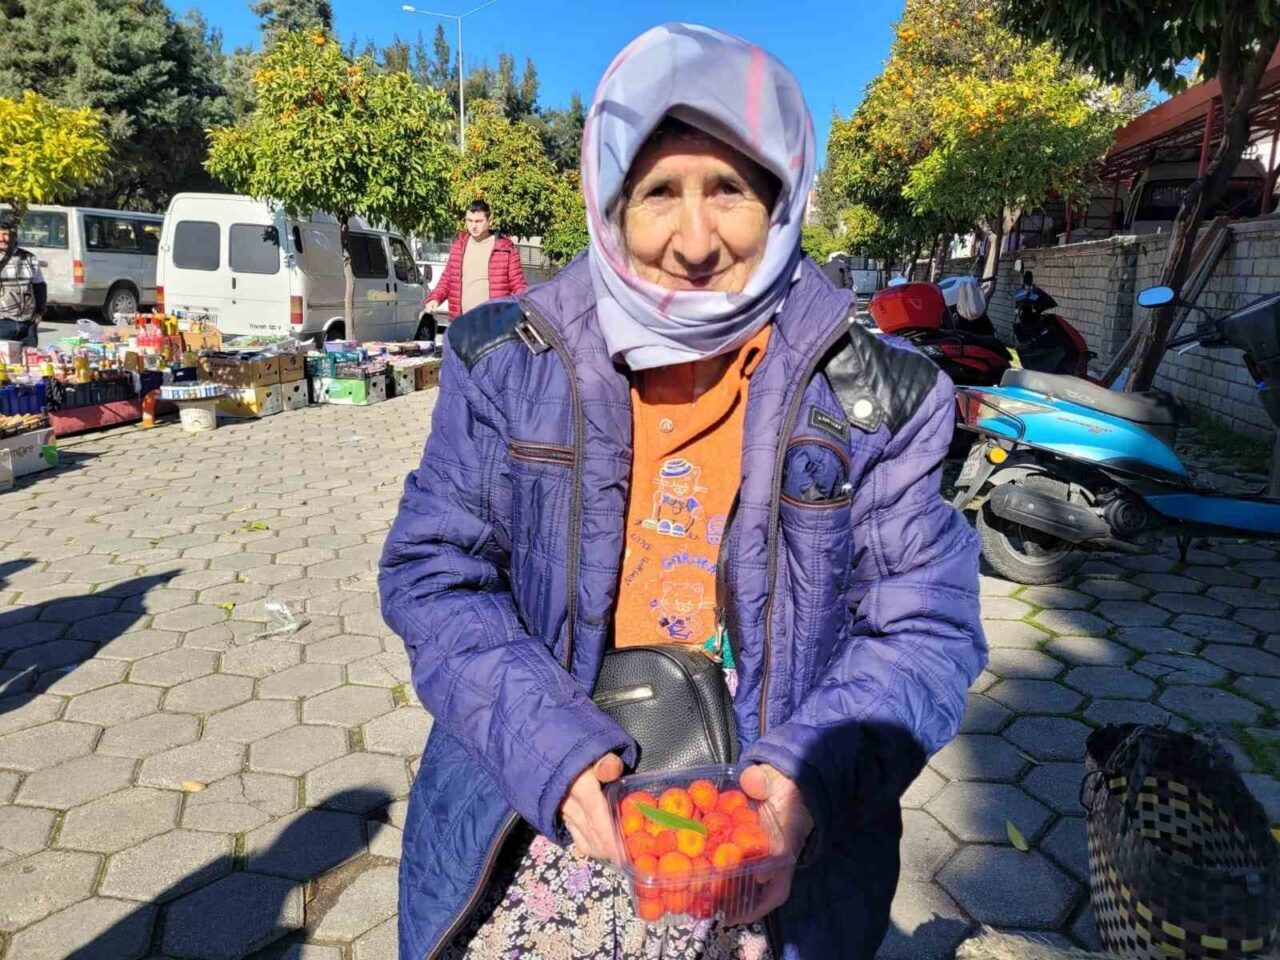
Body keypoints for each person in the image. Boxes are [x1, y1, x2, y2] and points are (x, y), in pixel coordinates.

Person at [380, 22, 985, 960]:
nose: (695, 241)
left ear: (782, 199)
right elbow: (435, 574)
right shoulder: (507, 361)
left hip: (764, 836)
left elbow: (923, 627)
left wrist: (806, 783)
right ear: (609, 201)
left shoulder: (881, 398)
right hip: (542, 801)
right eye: (660, 190)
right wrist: (549, 752)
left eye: (730, 190)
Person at [424, 199, 528, 322]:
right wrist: (435, 298)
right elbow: (448, 279)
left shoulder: (505, 248)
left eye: (478, 221)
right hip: (463, 322)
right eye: (470, 220)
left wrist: (525, 309)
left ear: (490, 220)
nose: (473, 226)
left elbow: (518, 285)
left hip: (494, 322)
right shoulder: (459, 246)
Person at [0, 218, 46, 347]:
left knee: (30, 358)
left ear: (14, 236)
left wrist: (39, 312)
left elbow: (39, 286)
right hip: (2, 323)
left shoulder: (29, 258)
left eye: (6, 234)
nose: (2, 239)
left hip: (27, 324)